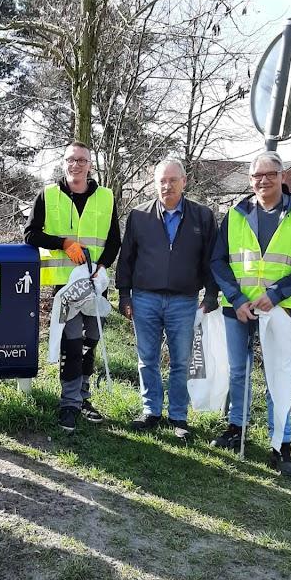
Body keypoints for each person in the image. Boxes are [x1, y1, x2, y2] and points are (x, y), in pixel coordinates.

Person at [210, 150, 291, 476]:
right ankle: (236, 428)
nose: (263, 180)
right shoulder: (235, 214)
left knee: (279, 376)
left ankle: (282, 444)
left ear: (282, 176)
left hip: (283, 309)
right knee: (238, 372)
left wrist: (277, 294)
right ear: (250, 180)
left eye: (269, 174)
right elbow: (218, 260)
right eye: (257, 176)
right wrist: (235, 298)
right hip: (240, 308)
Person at [117, 158, 218, 439]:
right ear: (155, 183)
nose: (166, 185)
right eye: (161, 180)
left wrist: (211, 294)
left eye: (173, 180)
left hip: (185, 301)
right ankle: (151, 411)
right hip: (145, 298)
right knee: (146, 358)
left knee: (181, 362)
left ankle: (178, 417)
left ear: (184, 182)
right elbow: (126, 259)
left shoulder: (203, 216)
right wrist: (124, 294)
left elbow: (212, 259)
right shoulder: (139, 215)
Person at [24, 141, 120, 433]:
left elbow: (114, 240)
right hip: (65, 286)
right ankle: (68, 403)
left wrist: (102, 267)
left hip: (94, 283)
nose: (76, 165)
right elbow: (30, 235)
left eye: (81, 160)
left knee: (91, 338)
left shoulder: (105, 197)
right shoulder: (48, 195)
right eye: (70, 160)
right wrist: (64, 243)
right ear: (63, 163)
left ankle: (83, 398)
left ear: (90, 165)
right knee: (72, 340)